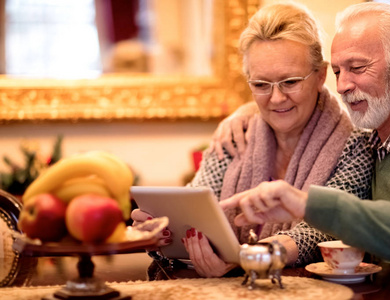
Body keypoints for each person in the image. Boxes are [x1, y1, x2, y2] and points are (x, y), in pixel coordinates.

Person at [132, 2, 374, 278]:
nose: (276, 98)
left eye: (290, 82)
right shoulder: (234, 135)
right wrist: (160, 229)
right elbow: (197, 205)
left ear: (320, 76)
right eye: (261, 85)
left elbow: (321, 229)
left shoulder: (355, 145)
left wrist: (246, 258)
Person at [218, 2, 390, 268]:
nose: (341, 86)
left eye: (358, 68)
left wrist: (308, 204)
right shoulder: (374, 142)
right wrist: (249, 110)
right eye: (338, 72)